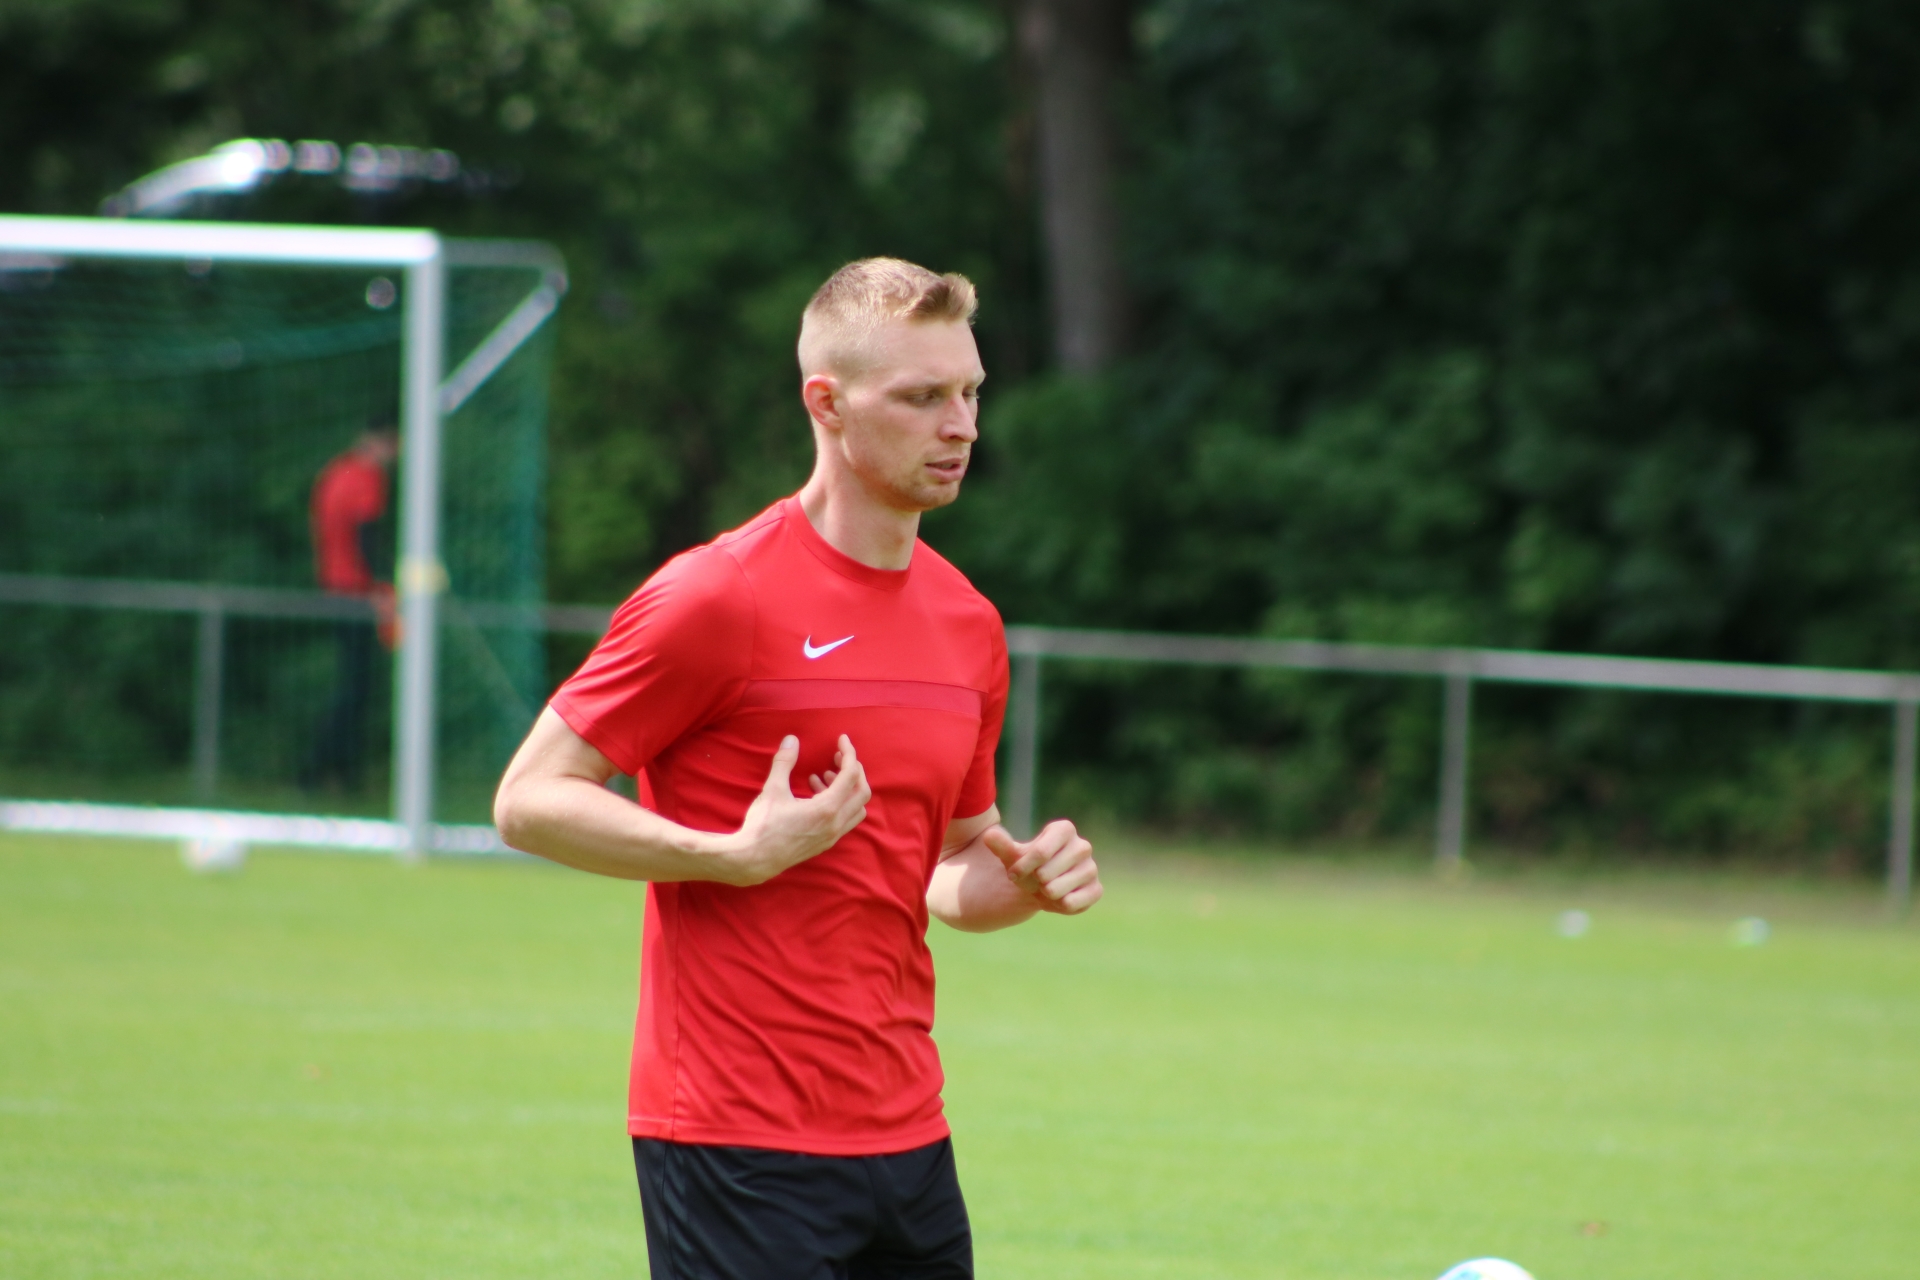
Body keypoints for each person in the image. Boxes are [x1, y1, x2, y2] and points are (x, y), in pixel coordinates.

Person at [493, 258, 1105, 1279]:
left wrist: (1021, 884)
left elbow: (950, 863)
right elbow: (528, 799)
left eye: (970, 392)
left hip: (909, 1137)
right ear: (827, 403)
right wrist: (727, 853)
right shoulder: (715, 595)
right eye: (922, 397)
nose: (961, 425)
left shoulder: (969, 623)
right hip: (734, 1138)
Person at [301, 420, 398, 792]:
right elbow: (365, 533)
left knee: (352, 686)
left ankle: (335, 773)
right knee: (355, 690)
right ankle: (324, 771)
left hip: (334, 588)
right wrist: (380, 587)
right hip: (356, 594)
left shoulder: (335, 472)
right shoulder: (366, 477)